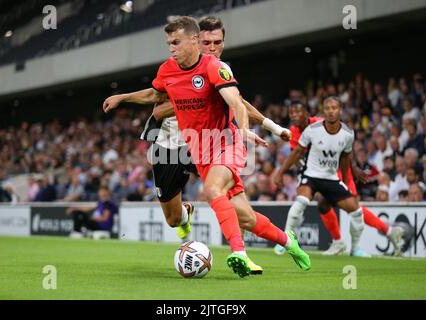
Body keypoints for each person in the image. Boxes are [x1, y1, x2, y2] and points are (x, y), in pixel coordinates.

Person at [103, 16, 310, 277]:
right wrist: (123, 97)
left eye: (176, 42)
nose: (171, 47)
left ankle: (239, 253)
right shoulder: (167, 69)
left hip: (227, 143)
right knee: (243, 217)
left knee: (211, 189)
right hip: (194, 150)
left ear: (193, 41)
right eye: (169, 43)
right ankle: (288, 241)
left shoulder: (214, 67)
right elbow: (155, 94)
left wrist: (247, 129)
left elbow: (236, 102)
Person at [274, 100, 404, 256]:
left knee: (353, 207)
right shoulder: (294, 131)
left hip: (339, 171)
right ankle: (337, 242)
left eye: (297, 112)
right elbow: (297, 155)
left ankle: (387, 231)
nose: (294, 116)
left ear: (307, 113)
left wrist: (353, 169)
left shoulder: (323, 124)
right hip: (317, 171)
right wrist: (302, 170)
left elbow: (344, 149)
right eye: (291, 113)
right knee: (322, 204)